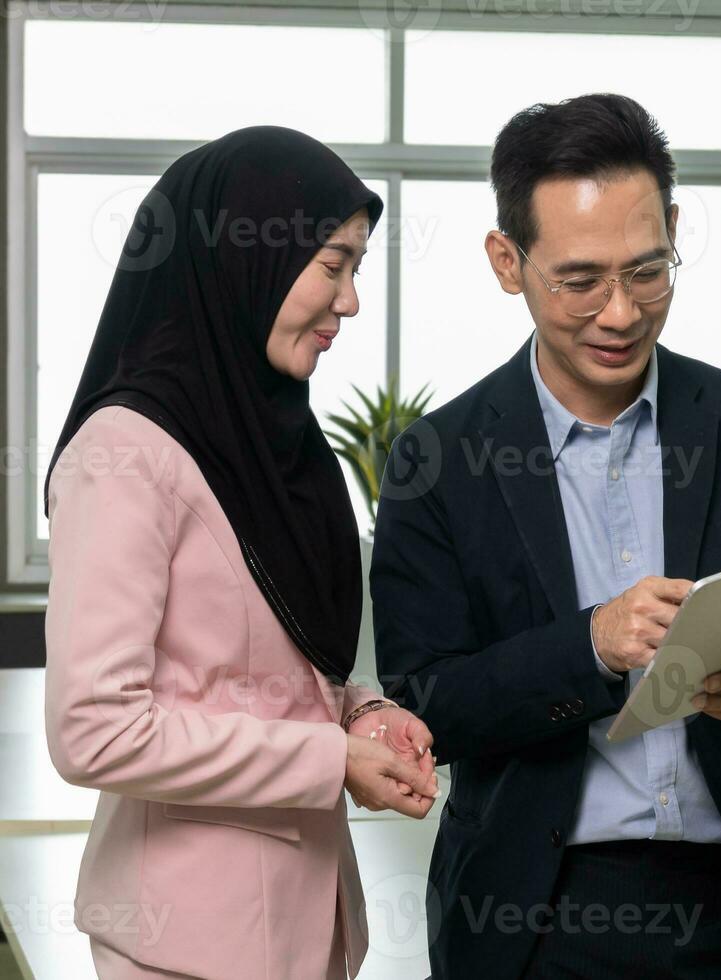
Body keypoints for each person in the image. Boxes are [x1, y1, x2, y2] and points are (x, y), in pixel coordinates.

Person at [370, 94, 721, 979]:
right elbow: (428, 702)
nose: (622, 314)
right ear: (507, 262)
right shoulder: (438, 459)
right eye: (582, 280)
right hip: (536, 917)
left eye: (649, 271)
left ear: (674, 231)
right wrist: (589, 645)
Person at [43, 126, 438, 980]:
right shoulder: (127, 455)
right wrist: (332, 758)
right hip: (188, 940)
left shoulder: (277, 446)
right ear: (242, 258)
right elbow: (93, 730)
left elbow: (271, 664)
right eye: (331, 265)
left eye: (356, 269)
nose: (351, 301)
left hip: (312, 923)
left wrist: (359, 713)